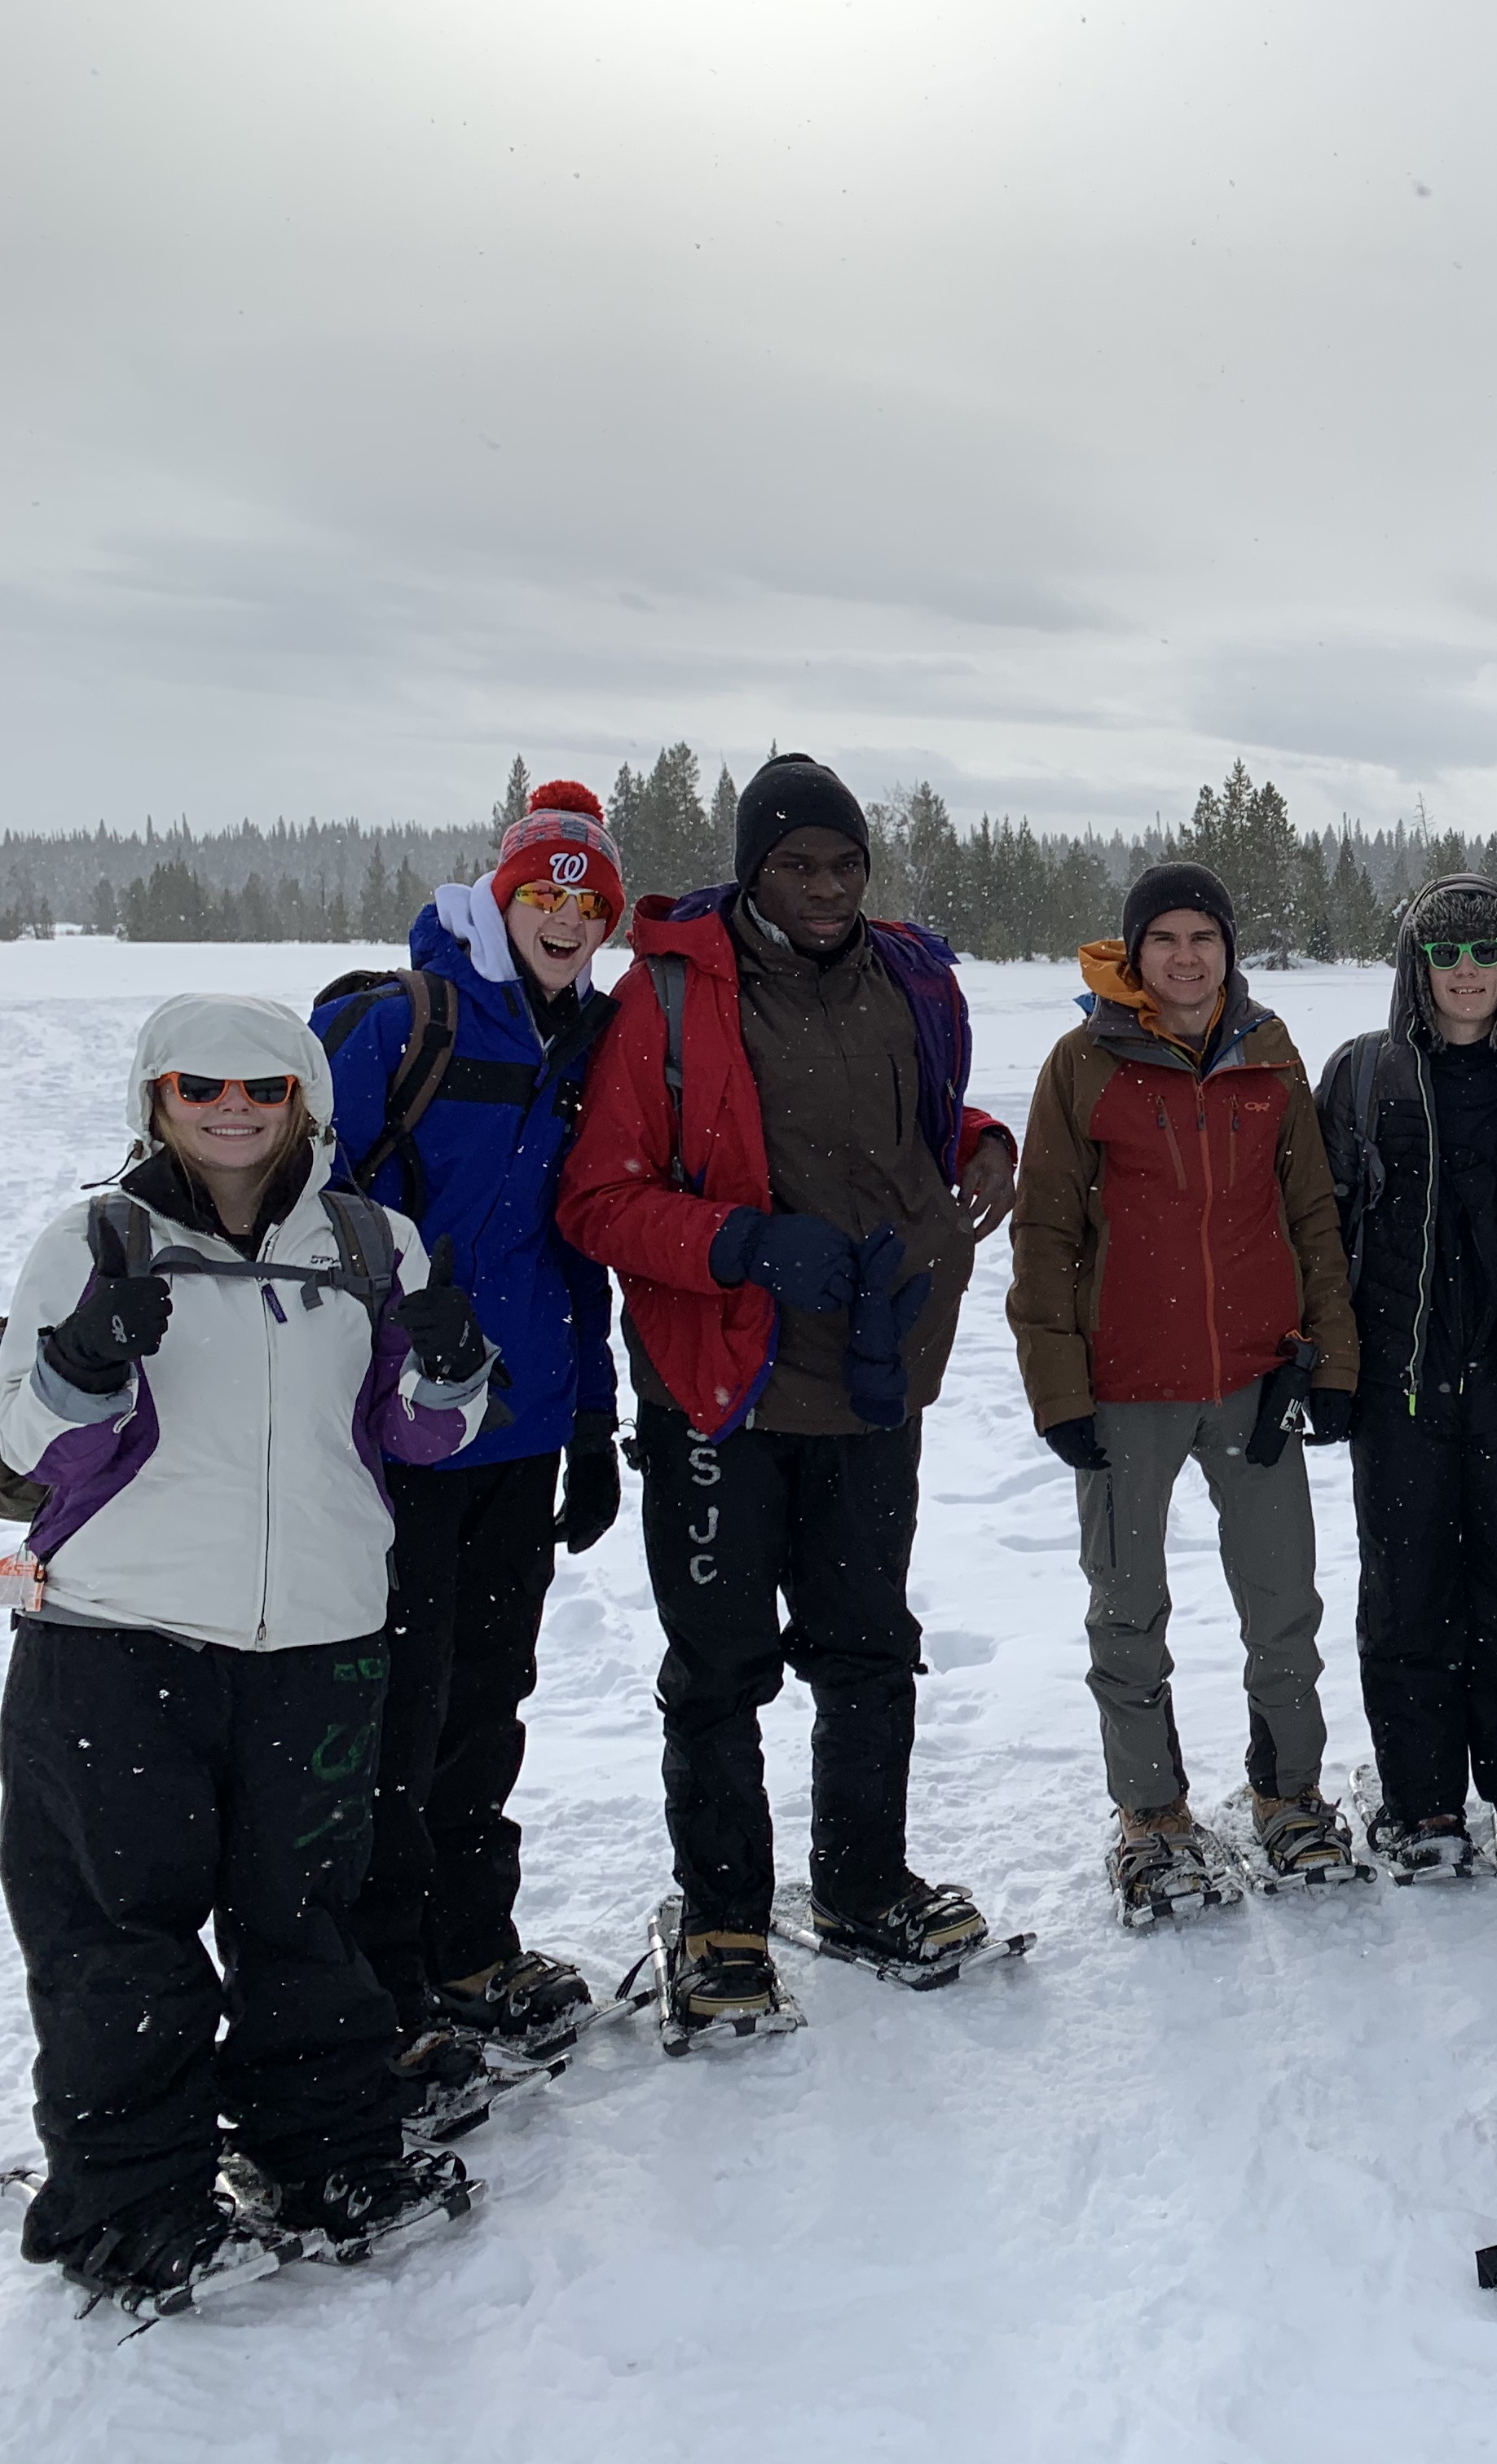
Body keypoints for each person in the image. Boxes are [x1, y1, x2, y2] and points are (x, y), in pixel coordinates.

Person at [1, 995, 492, 2306]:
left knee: (307, 1916)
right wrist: (84, 1362)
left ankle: (324, 2148)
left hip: (320, 1639)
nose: (232, 1110)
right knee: (120, 1929)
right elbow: (20, 1460)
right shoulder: (92, 1240)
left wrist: (452, 1371)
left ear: (304, 1104)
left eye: (263, 1089)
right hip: (119, 1638)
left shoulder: (369, 1245)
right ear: (154, 1099)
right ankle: (129, 2194)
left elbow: (420, 1436)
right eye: (199, 1087)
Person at [557, 754, 1018, 2024]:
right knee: (719, 1665)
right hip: (722, 1384)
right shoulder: (670, 991)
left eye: (844, 863)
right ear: (752, 870)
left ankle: (863, 1884)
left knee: (869, 1649)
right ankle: (721, 1918)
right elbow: (597, 1197)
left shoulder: (909, 979)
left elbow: (906, 1118)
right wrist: (741, 1245)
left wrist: (974, 1138)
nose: (825, 888)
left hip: (875, 1371)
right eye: (797, 864)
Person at [315, 780, 625, 2085]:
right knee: (394, 1710)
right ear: (504, 898)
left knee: (489, 1699)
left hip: (527, 1429)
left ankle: (468, 1946)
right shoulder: (404, 1027)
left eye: (588, 901)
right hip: (399, 1438)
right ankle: (379, 1990)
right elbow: (301, 1207)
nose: (565, 917)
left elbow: (579, 1252)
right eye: (544, 894)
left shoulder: (588, 1045)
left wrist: (597, 1422)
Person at [1004, 860, 1365, 1920]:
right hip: (1126, 1390)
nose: (1186, 956)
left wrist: (1330, 1363)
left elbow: (1312, 1218)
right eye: (1164, 938)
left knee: (1283, 1607)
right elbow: (1046, 1234)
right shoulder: (1083, 1064)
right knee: (1127, 1611)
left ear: (1229, 950)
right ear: (1136, 952)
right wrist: (1058, 1389)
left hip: (1257, 1382)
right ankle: (1151, 1815)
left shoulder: (1269, 1053)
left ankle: (1288, 1797)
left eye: (1203, 937)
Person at [1315, 874, 1497, 1877]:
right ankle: (1422, 1800)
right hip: (1399, 1388)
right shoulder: (1364, 1075)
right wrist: (1332, 1365)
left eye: (1485, 954)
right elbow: (1322, 1234)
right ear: (1417, 967)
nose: (1467, 974)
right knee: (1407, 1594)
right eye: (1446, 956)